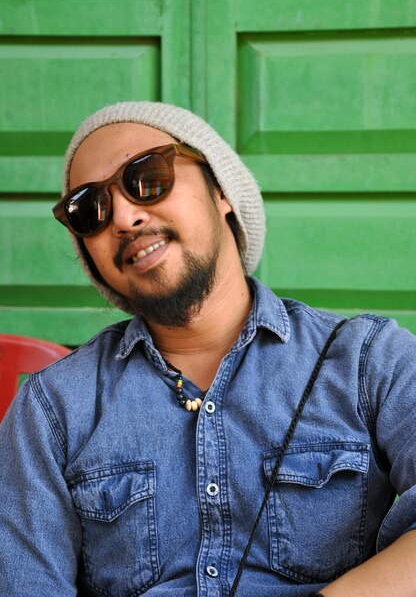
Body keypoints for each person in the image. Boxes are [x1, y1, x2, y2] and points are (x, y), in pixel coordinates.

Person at [0, 101, 415, 597]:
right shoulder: (52, 409)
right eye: (90, 210)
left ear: (220, 190)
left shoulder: (367, 359)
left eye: (147, 178)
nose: (125, 217)